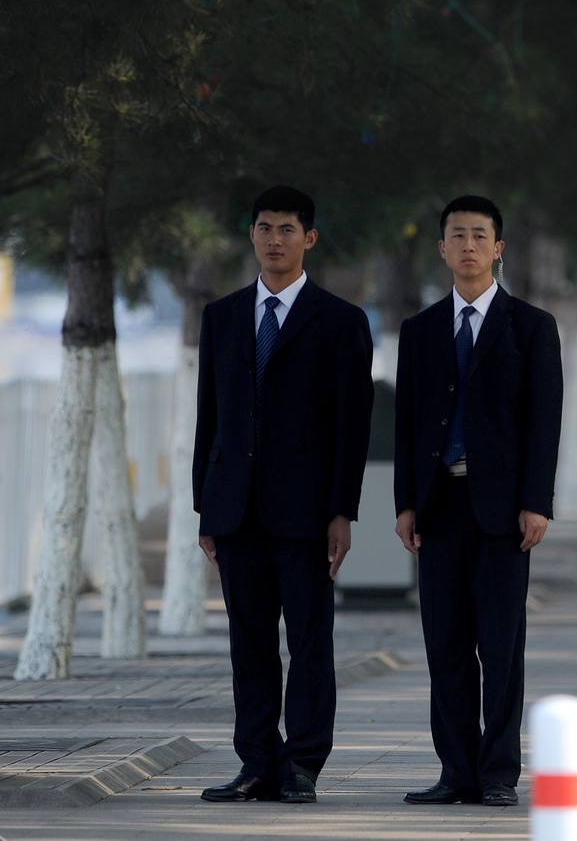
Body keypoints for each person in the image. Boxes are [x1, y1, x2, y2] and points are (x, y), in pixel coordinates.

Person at [193, 185, 375, 804]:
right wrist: (205, 506)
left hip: (306, 513)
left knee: (308, 642)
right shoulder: (221, 317)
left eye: (287, 229)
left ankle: (302, 764)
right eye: (265, 228)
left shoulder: (341, 322)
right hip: (236, 509)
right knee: (248, 644)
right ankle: (255, 762)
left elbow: (352, 428)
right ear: (251, 235)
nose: (275, 239)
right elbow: (210, 418)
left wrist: (343, 511)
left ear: (309, 239)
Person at [394, 194, 563, 807]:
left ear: (498, 248)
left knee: (500, 646)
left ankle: (497, 774)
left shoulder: (531, 327)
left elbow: (544, 422)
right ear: (442, 248)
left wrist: (536, 502)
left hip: (503, 512)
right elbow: (407, 424)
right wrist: (406, 503)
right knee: (445, 646)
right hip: (440, 507)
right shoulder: (419, 331)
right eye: (457, 235)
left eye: (479, 235)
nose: (468, 245)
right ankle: (455, 772)